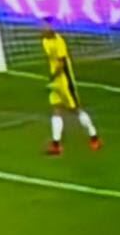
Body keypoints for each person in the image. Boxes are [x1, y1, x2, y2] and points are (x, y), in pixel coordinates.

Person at [41, 19, 101, 155]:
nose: (42, 29)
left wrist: (52, 76)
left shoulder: (59, 42)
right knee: (56, 109)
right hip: (56, 81)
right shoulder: (45, 41)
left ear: (52, 28)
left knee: (76, 109)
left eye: (45, 26)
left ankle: (94, 137)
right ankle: (56, 145)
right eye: (42, 26)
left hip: (65, 80)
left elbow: (62, 64)